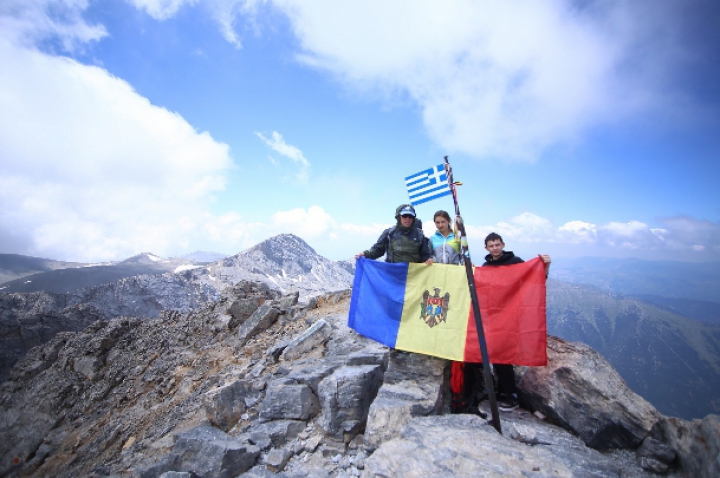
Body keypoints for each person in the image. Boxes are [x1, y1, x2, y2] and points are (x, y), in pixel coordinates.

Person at [483, 232, 551, 411]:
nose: (495, 248)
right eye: (491, 245)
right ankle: (502, 391)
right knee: (496, 354)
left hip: (511, 315)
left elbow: (536, 278)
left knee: (504, 354)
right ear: (486, 248)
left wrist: (546, 266)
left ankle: (511, 395)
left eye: (497, 244)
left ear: (503, 244)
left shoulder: (515, 262)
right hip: (494, 315)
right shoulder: (486, 266)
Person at [356, 204, 433, 265]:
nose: (407, 219)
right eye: (404, 215)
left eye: (410, 216)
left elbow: (425, 255)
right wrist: (365, 254)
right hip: (393, 275)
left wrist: (428, 259)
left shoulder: (419, 235)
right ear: (399, 217)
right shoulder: (389, 233)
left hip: (413, 277)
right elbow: (378, 250)